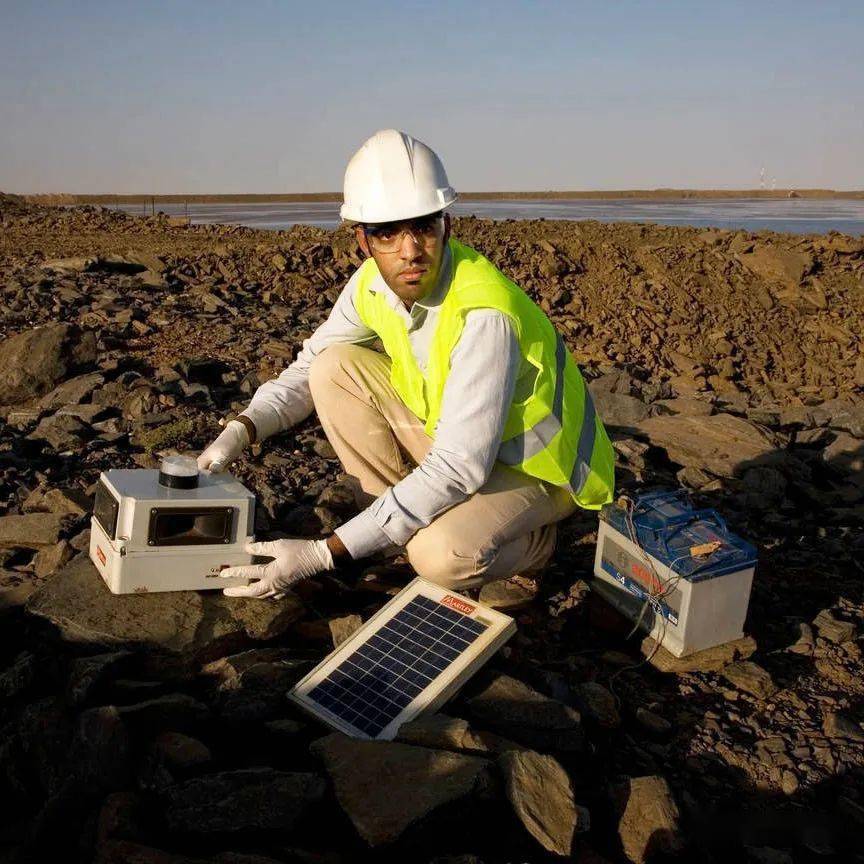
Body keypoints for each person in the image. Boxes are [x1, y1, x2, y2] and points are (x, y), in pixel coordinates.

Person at [205, 130, 614, 600]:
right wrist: (243, 427)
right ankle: (397, 529)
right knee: (334, 367)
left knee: (441, 556)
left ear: (447, 226)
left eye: (423, 226)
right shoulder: (369, 287)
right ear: (361, 239)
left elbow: (459, 467)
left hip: (541, 471)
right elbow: (309, 365)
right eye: (386, 232)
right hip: (463, 442)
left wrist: (324, 553)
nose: (410, 251)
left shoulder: (483, 315)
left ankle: (531, 550)